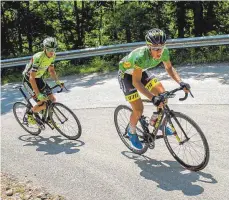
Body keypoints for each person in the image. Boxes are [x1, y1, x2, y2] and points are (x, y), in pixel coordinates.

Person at [118, 28, 190, 149]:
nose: (159, 52)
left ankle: (157, 122)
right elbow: (136, 82)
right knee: (139, 109)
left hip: (141, 72)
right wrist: (152, 98)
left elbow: (169, 68)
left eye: (161, 48)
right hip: (127, 76)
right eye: (155, 49)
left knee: (163, 95)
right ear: (149, 47)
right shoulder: (141, 57)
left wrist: (181, 82)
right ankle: (131, 131)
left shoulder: (164, 52)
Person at [22, 37, 63, 125]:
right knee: (42, 103)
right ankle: (29, 114)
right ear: (44, 48)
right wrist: (38, 94)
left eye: (54, 49)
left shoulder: (53, 56)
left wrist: (57, 81)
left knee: (52, 99)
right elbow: (31, 78)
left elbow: (51, 70)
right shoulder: (38, 57)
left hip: (38, 78)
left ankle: (49, 119)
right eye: (49, 49)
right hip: (28, 80)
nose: (52, 52)